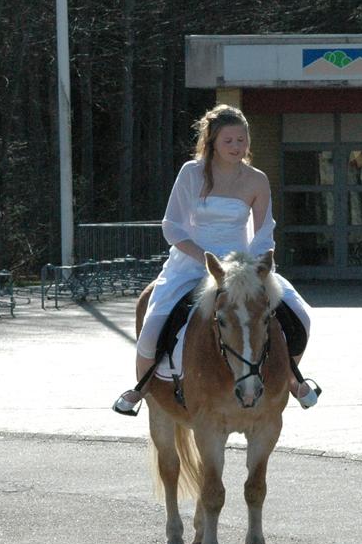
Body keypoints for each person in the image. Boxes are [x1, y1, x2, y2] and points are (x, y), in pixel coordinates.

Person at [112, 104, 317, 415]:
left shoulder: (257, 179)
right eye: (228, 141)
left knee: (300, 314)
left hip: (242, 266)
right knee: (153, 324)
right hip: (191, 262)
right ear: (212, 142)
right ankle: (143, 389)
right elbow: (172, 225)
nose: (237, 147)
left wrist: (259, 267)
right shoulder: (191, 173)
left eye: (242, 140)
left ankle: (290, 379)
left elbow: (264, 231)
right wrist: (201, 257)